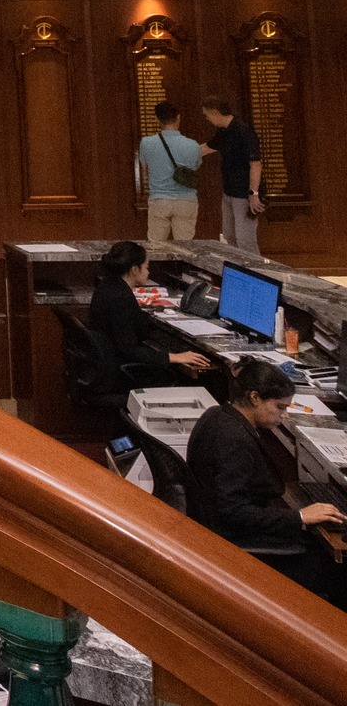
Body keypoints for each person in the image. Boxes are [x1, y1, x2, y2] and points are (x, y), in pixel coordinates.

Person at [186, 358, 346, 609]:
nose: (283, 416)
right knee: (336, 566)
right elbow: (233, 511)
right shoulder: (235, 440)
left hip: (213, 529)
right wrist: (301, 517)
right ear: (254, 398)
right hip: (236, 542)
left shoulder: (216, 415)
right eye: (280, 407)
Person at [88, 241, 211, 392]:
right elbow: (129, 349)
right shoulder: (120, 298)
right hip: (119, 372)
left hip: (104, 365)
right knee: (182, 378)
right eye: (146, 268)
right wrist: (175, 357)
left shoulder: (108, 285)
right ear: (134, 269)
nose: (148, 272)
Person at [202, 96, 265, 253]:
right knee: (230, 236)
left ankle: (255, 275)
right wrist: (180, 153)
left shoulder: (243, 130)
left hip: (244, 194)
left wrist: (254, 193)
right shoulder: (223, 131)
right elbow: (207, 148)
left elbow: (256, 163)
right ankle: (238, 272)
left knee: (245, 240)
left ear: (215, 113)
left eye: (206, 115)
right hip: (229, 192)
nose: (207, 119)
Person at [138, 101, 203, 241]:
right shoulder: (193, 145)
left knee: (156, 248)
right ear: (178, 117)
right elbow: (196, 166)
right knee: (185, 249)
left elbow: (145, 168)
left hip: (159, 199)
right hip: (187, 200)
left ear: (157, 120)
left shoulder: (146, 143)